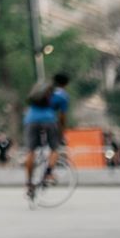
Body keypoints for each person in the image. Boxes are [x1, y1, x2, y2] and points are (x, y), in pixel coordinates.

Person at [22, 72, 71, 200]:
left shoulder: (42, 88)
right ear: (65, 84)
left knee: (30, 151)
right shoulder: (63, 96)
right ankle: (48, 173)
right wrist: (61, 132)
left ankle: (29, 183)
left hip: (31, 120)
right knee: (55, 149)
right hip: (49, 120)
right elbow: (62, 117)